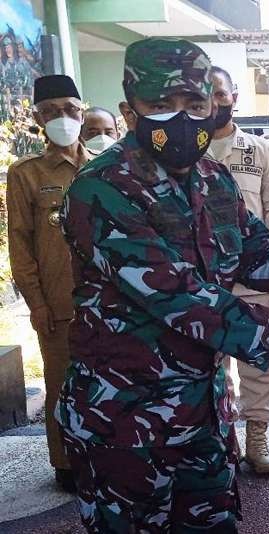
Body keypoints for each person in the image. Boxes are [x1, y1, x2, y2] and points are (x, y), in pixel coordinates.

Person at [57, 38, 269, 533]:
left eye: (195, 105)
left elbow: (251, 252)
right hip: (125, 421)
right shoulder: (102, 188)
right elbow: (174, 293)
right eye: (161, 106)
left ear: (214, 106)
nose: (181, 120)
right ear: (129, 111)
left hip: (202, 412)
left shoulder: (213, 179)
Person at [206, 65, 269, 474]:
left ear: (234, 97)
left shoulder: (259, 150)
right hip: (203, 279)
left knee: (260, 361)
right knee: (209, 364)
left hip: (252, 276)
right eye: (205, 94)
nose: (214, 101)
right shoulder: (183, 150)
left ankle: (257, 440)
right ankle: (222, 440)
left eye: (220, 93)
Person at [6, 74, 92, 494]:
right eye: (53, 111)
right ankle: (66, 462)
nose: (64, 118)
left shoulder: (102, 165)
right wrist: (36, 304)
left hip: (106, 301)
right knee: (62, 384)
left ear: (83, 111)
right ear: (39, 118)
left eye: (71, 110)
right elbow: (21, 246)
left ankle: (105, 454)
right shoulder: (26, 174)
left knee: (109, 383)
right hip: (58, 304)